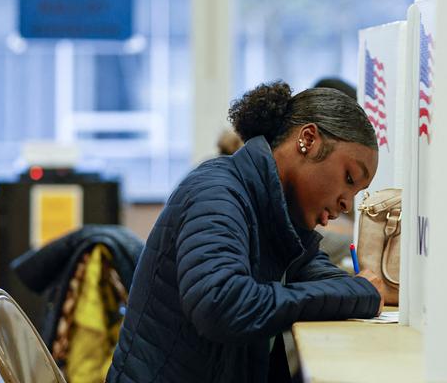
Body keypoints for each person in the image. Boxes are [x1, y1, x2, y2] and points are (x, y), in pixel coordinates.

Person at [106, 81, 385, 383]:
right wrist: (361, 292)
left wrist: (364, 290)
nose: (346, 203)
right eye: (348, 178)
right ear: (308, 140)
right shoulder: (217, 192)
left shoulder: (274, 212)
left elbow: (318, 274)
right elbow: (221, 304)